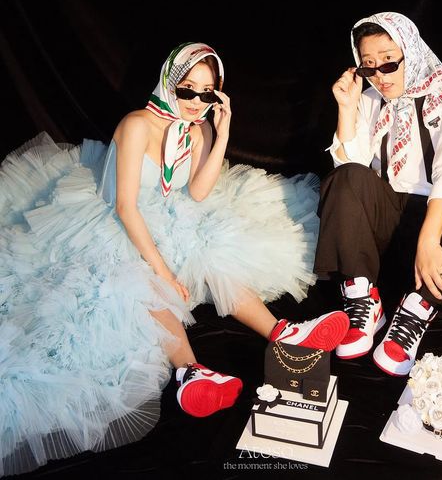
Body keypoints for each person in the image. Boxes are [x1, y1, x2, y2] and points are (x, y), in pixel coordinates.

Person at [0, 42, 349, 476]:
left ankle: (284, 333)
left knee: (211, 246)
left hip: (169, 214)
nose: (197, 102)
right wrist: (164, 270)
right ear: (169, 83)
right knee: (139, 277)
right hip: (112, 219)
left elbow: (198, 192)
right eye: (188, 91)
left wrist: (221, 134)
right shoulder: (137, 125)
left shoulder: (197, 129)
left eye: (207, 93)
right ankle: (190, 372)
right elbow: (125, 206)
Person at [314, 12, 442, 376]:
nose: (380, 76)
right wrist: (347, 108)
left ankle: (415, 312)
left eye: (388, 61)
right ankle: (364, 300)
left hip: (436, 229)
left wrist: (428, 241)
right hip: (382, 231)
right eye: (368, 66)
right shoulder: (370, 99)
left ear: (410, 52)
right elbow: (351, 171)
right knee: (346, 177)